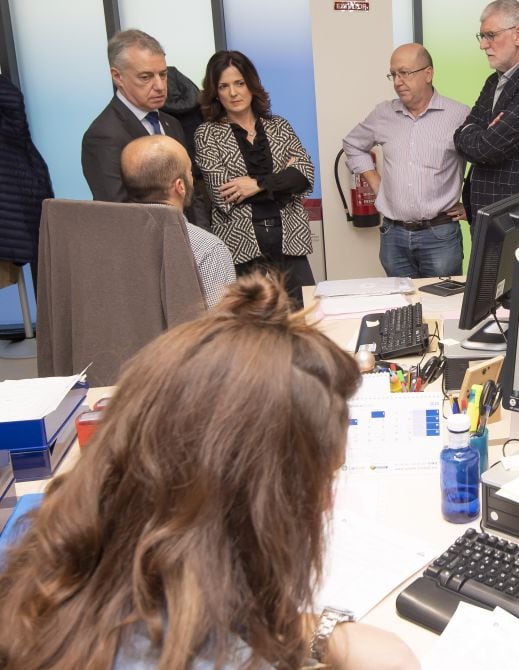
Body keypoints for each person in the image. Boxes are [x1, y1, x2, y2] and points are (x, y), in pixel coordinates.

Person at [0, 275, 419, 670]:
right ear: (247, 501)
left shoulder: (48, 553)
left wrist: (323, 632)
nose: (327, 503)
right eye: (318, 482)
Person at [194, 50, 316, 308]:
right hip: (241, 246)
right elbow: (223, 195)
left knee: (304, 318)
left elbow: (305, 176)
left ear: (251, 84)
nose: (233, 93)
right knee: (252, 328)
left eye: (239, 83)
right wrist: (283, 180)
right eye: (224, 86)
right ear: (215, 92)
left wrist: (256, 185)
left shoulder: (279, 126)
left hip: (289, 240)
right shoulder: (207, 134)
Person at [343, 43, 469, 278]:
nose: (397, 82)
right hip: (394, 236)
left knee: (442, 307)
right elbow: (352, 144)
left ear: (428, 74)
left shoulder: (459, 115)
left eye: (405, 73)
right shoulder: (383, 114)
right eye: (393, 74)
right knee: (403, 307)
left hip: (439, 236)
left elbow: (485, 162)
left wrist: (471, 204)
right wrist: (375, 183)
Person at [82, 29, 211, 229]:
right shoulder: (104, 135)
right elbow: (119, 211)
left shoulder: (171, 123)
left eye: (163, 74)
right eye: (145, 77)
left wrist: (202, 239)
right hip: (146, 250)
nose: (160, 86)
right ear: (117, 77)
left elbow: (192, 191)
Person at [453, 0, 519, 222]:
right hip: (488, 215)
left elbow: (485, 149)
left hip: (514, 220)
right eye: (482, 36)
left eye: (491, 35)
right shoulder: (494, 80)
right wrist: (473, 131)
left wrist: (475, 133)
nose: (483, 45)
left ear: (518, 35)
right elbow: (461, 133)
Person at [120, 135, 236, 309]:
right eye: (190, 171)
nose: (192, 178)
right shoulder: (207, 249)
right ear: (180, 186)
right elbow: (219, 325)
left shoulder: (102, 241)